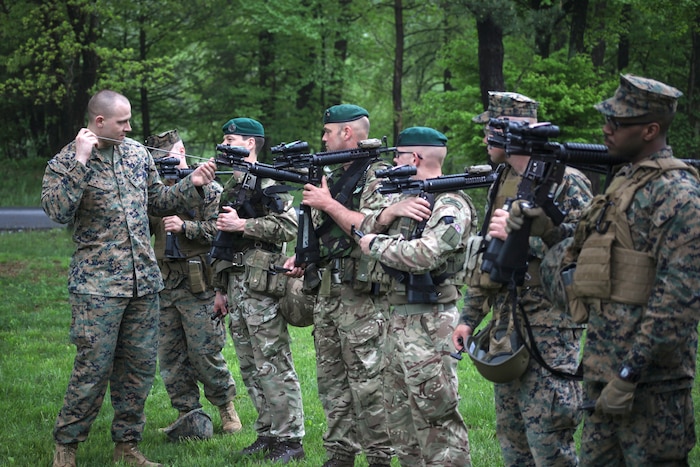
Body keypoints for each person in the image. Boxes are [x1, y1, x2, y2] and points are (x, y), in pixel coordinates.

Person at [42, 90, 217, 467]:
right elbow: (57, 210)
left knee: (137, 370)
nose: (130, 127)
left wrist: (194, 183)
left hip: (143, 284)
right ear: (99, 121)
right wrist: (81, 161)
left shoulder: (138, 154)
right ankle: (66, 446)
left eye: (130, 120)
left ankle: (127, 445)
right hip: (97, 288)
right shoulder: (66, 161)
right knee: (93, 369)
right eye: (122, 122)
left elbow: (159, 201)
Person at [542, 74, 700, 465]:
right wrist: (545, 230)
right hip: (603, 370)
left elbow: (677, 300)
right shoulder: (624, 183)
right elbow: (599, 250)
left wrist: (632, 372)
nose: (606, 129)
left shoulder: (678, 194)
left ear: (650, 130)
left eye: (618, 123)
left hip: (651, 387)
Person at [452, 91, 592, 466]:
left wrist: (533, 229)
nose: (485, 139)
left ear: (507, 131)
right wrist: (468, 319)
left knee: (550, 441)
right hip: (506, 323)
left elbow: (585, 252)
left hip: (550, 325)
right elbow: (488, 256)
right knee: (513, 438)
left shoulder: (566, 179)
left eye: (490, 130)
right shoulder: (504, 178)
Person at [283, 104, 394, 467]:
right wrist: (303, 258)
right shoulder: (337, 175)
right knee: (332, 383)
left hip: (362, 298)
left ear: (347, 133)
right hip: (327, 295)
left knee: (368, 382)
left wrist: (327, 203)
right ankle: (340, 454)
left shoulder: (378, 175)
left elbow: (370, 228)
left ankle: (380, 456)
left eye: (328, 132)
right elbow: (324, 235)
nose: (323, 138)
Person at [358, 126, 474, 466]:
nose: (393, 161)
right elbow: (365, 222)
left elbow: (427, 254)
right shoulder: (404, 200)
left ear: (415, 158)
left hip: (431, 321)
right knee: (400, 419)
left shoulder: (451, 202)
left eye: (398, 155)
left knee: (436, 416)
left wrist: (376, 245)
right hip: (397, 320)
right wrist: (386, 218)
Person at [210, 118, 305, 463]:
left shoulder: (270, 180)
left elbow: (289, 226)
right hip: (236, 286)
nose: (224, 143)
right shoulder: (233, 185)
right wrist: (220, 289)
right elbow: (223, 242)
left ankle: (290, 439)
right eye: (223, 138)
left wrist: (245, 224)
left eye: (231, 138)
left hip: (262, 286)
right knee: (250, 365)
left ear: (250, 143)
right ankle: (267, 433)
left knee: (273, 363)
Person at [145, 129, 240, 440]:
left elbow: (221, 230)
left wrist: (187, 227)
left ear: (182, 151)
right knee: (171, 355)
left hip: (197, 282)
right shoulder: (155, 192)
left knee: (205, 350)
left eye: (169, 158)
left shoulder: (209, 189)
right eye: (159, 162)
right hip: (164, 283)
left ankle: (226, 407)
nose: (166, 166)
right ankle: (187, 413)